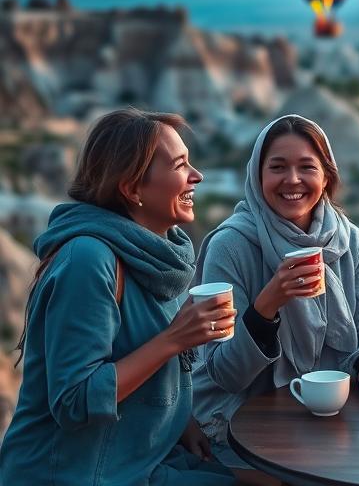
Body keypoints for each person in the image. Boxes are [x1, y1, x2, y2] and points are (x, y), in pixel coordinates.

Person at [0, 109, 235, 485]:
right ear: (132, 189)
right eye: (180, 165)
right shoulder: (89, 261)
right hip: (74, 473)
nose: (197, 176)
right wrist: (175, 339)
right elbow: (74, 400)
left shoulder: (159, 257)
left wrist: (181, 422)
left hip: (140, 456)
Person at [191, 114, 359, 470]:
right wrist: (268, 304)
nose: (293, 180)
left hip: (326, 417)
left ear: (327, 176)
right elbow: (226, 374)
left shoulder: (349, 242)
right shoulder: (231, 246)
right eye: (278, 167)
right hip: (239, 426)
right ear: (257, 176)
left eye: (307, 167)